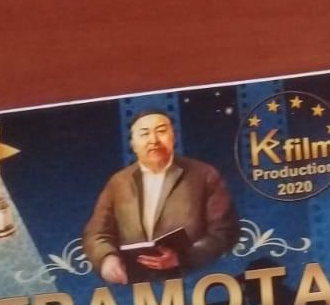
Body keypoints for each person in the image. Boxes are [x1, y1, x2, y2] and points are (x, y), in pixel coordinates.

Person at [83, 111, 239, 283]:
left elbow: (224, 232)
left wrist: (183, 258)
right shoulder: (118, 182)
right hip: (136, 287)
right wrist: (106, 258)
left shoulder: (204, 175)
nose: (154, 140)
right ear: (133, 144)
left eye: (161, 131)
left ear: (173, 137)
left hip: (194, 281)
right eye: (144, 134)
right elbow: (96, 233)